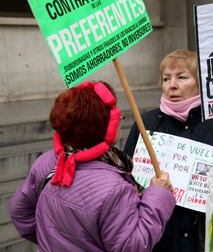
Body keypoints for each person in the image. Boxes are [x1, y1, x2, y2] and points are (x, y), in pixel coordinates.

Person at [9, 81, 176, 251]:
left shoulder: (45, 162)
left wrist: (52, 241)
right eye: (116, 116)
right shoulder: (115, 188)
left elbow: (19, 212)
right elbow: (132, 246)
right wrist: (158, 195)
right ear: (107, 127)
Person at [124, 49, 213, 252]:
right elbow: (126, 180)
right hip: (161, 237)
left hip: (208, 238)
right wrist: (147, 189)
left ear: (199, 82)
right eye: (166, 79)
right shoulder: (147, 124)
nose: (172, 85)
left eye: (182, 77)